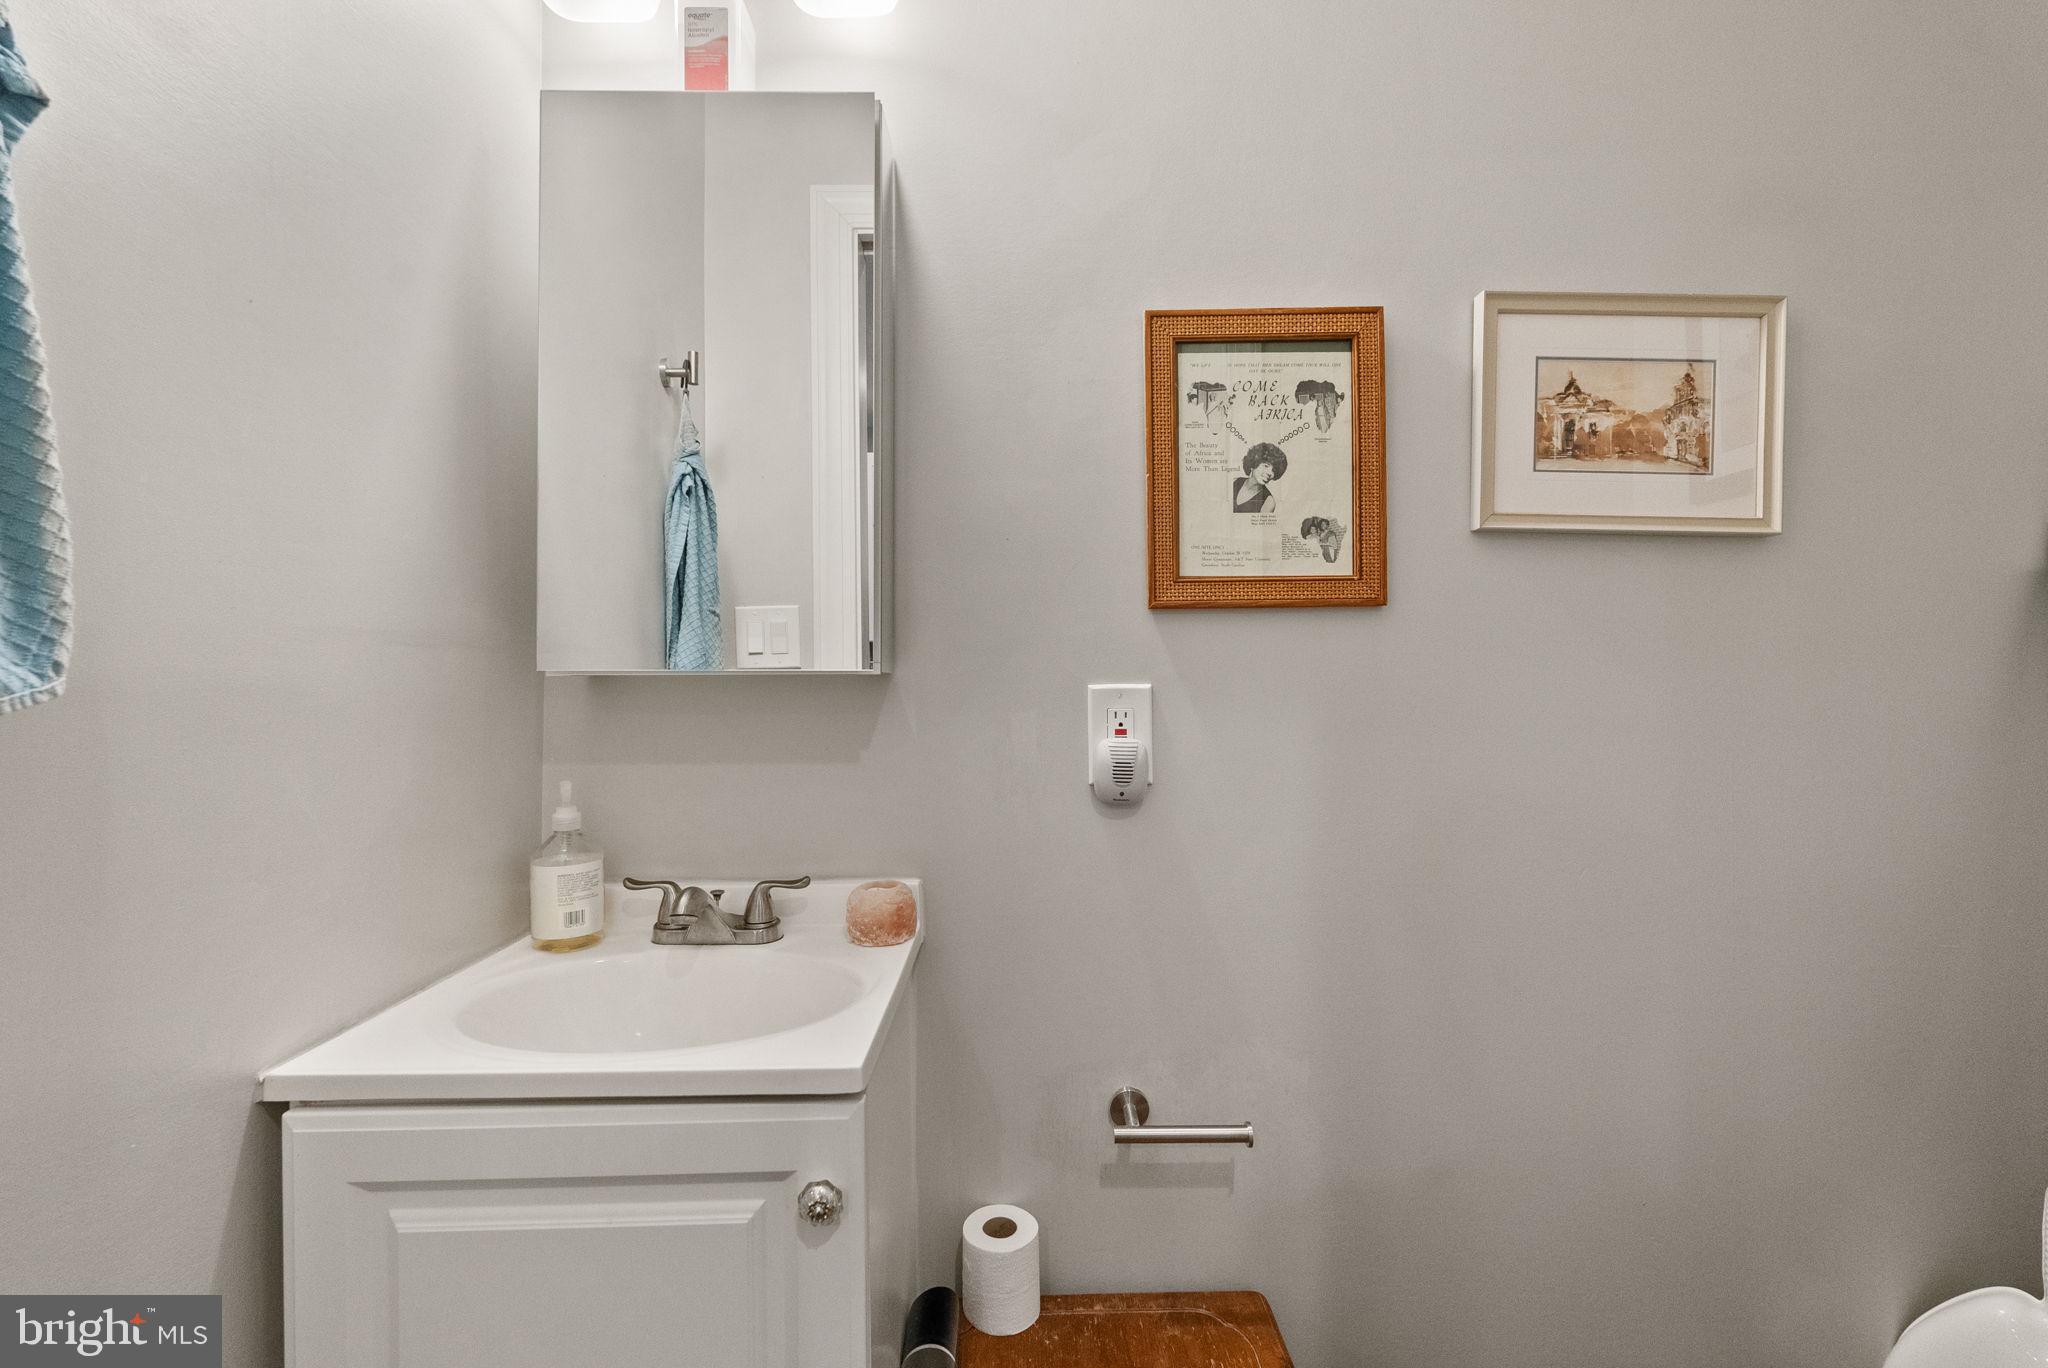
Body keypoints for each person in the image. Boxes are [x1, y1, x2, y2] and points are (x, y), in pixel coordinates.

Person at [1232, 444, 1286, 513]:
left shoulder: (1268, 502)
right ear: (1254, 463)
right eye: (1266, 466)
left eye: (1274, 470)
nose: (1270, 473)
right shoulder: (1234, 482)